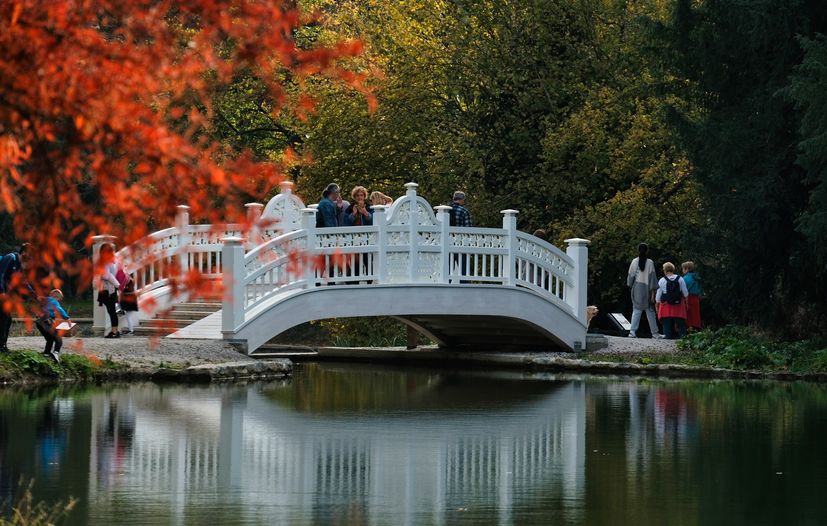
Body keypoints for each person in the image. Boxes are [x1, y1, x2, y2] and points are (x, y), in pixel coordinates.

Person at [626, 243, 663, 339]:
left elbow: (630, 277)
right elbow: (652, 278)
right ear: (647, 251)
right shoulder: (650, 262)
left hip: (637, 289)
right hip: (647, 290)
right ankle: (655, 334)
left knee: (636, 311)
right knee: (650, 312)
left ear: (638, 250)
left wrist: (631, 285)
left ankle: (632, 332)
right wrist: (653, 292)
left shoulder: (634, 261)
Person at [0, 243, 32, 353]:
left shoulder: (19, 266)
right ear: (24, 252)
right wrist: (2, 292)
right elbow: (1, 274)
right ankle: (1, 346)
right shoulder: (11, 257)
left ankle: (2, 345)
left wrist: (35, 295)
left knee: (7, 319)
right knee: (4, 318)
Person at [35, 289, 70, 363]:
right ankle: (56, 353)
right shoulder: (54, 301)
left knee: (50, 339)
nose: (59, 301)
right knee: (58, 339)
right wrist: (67, 318)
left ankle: (46, 354)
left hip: (39, 323)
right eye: (59, 299)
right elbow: (59, 309)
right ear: (56, 296)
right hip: (46, 321)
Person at [656, 262, 689, 339]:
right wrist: (687, 303)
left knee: (666, 325)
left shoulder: (662, 280)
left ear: (665, 270)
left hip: (665, 305)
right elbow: (685, 293)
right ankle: (683, 340)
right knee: (681, 325)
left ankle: (667, 341)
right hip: (678, 305)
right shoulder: (680, 279)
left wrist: (657, 306)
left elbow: (658, 296)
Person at [97, 243, 121, 338]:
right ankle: (115, 331)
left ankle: (114, 332)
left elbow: (106, 275)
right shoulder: (112, 261)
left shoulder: (106, 262)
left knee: (111, 311)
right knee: (111, 311)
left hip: (108, 289)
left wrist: (117, 284)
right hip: (110, 289)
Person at [681, 261, 702, 331]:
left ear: (687, 269)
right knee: (695, 316)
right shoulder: (698, 278)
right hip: (696, 298)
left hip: (687, 298)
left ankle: (688, 331)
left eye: (683, 269)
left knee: (688, 316)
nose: (682, 270)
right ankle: (695, 331)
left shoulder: (684, 279)